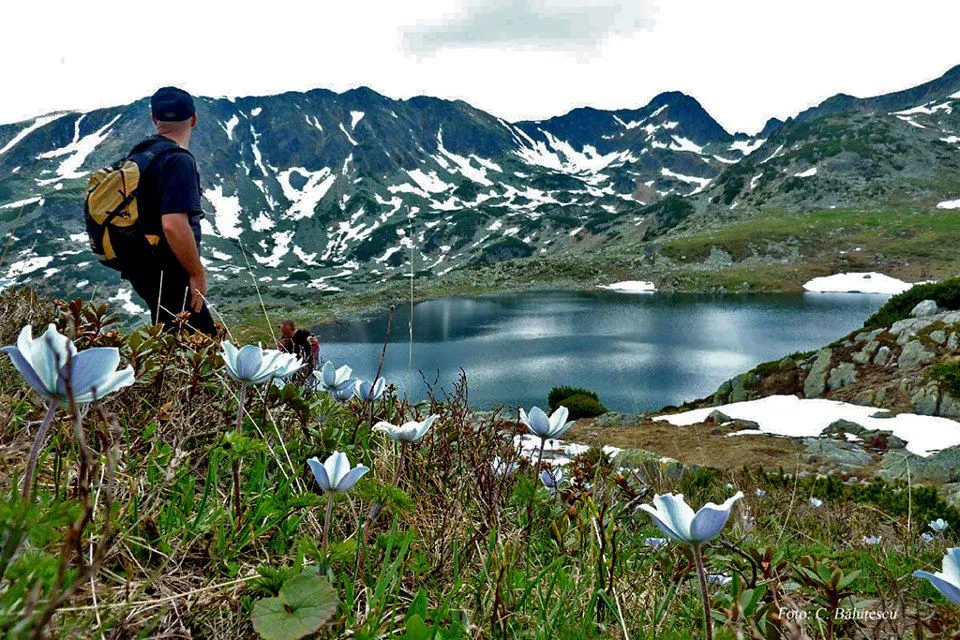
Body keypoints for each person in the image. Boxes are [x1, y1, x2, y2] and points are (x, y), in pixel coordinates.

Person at [123, 86, 217, 336]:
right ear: (194, 120)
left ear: (155, 119)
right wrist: (197, 274)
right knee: (204, 345)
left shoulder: (140, 155)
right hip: (169, 270)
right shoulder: (178, 159)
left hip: (143, 266)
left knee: (172, 340)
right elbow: (173, 225)